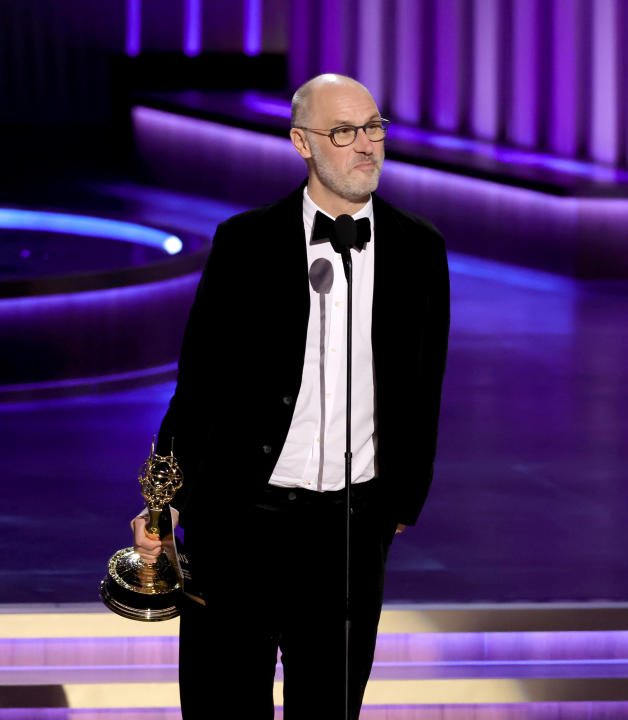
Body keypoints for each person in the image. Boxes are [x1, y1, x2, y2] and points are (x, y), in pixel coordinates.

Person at [131, 73, 450, 718]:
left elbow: (424, 387)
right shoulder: (245, 243)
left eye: (374, 126)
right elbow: (199, 385)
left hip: (350, 532)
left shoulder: (420, 250)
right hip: (238, 523)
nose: (367, 145)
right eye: (343, 132)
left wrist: (400, 502)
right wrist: (160, 506)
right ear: (302, 143)